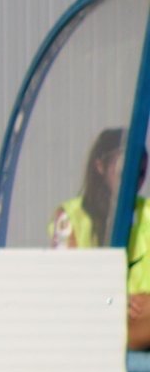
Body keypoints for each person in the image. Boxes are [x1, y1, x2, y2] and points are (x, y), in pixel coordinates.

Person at [51, 127, 150, 348]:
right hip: (96, 321)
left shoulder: (148, 213)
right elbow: (65, 287)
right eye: (125, 172)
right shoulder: (69, 218)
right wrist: (115, 301)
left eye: (141, 174)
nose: (134, 182)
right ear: (100, 166)